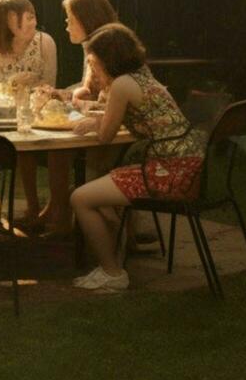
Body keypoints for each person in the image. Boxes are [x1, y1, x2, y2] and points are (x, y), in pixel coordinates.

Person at [68, 23, 203, 292]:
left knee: (80, 197)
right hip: (187, 163)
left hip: (169, 172)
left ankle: (112, 272)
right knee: (98, 192)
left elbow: (105, 136)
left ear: (108, 60)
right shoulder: (142, 76)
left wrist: (92, 124)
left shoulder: (122, 84)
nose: (93, 70)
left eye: (94, 63)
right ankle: (115, 251)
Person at [0, 0, 60, 233]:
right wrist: (10, 87)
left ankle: (40, 210)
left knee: (40, 147)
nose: (32, 22)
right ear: (7, 22)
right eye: (26, 18)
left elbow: (49, 86)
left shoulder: (45, 42)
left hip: (37, 112)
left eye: (33, 16)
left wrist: (33, 92)